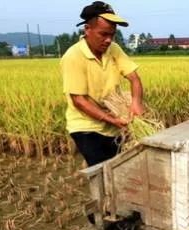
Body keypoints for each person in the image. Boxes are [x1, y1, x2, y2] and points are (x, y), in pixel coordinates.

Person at [61, 1, 144, 167]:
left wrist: (136, 103)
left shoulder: (114, 49)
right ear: (87, 30)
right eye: (103, 34)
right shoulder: (73, 56)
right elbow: (79, 101)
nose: (108, 40)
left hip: (112, 126)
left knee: (116, 168)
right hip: (86, 127)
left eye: (112, 35)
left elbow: (134, 78)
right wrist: (112, 120)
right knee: (102, 170)